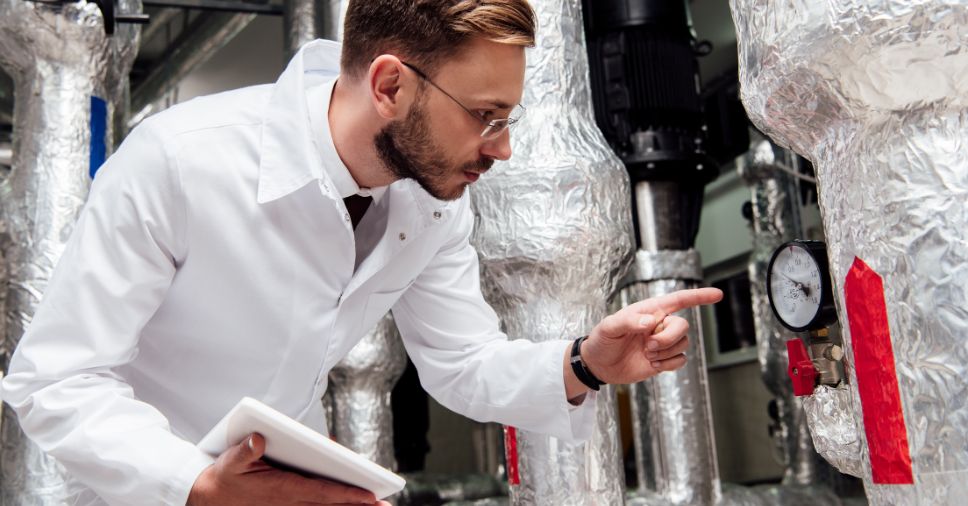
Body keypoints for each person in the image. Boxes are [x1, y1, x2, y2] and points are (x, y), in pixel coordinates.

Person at [1, 1, 723, 505]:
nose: (501, 148)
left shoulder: (431, 202)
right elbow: (55, 381)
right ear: (389, 85)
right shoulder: (180, 162)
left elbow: (462, 363)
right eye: (485, 116)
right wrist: (193, 485)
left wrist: (582, 363)